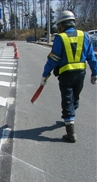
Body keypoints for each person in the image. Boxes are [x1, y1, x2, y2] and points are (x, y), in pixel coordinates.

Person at [40, 10, 97, 143]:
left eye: (59, 25)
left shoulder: (61, 38)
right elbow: (91, 57)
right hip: (81, 74)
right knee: (75, 98)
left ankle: (70, 131)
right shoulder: (85, 36)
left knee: (67, 100)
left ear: (62, 25)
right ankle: (69, 118)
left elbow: (53, 59)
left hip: (66, 75)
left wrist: (45, 74)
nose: (58, 28)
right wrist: (95, 72)